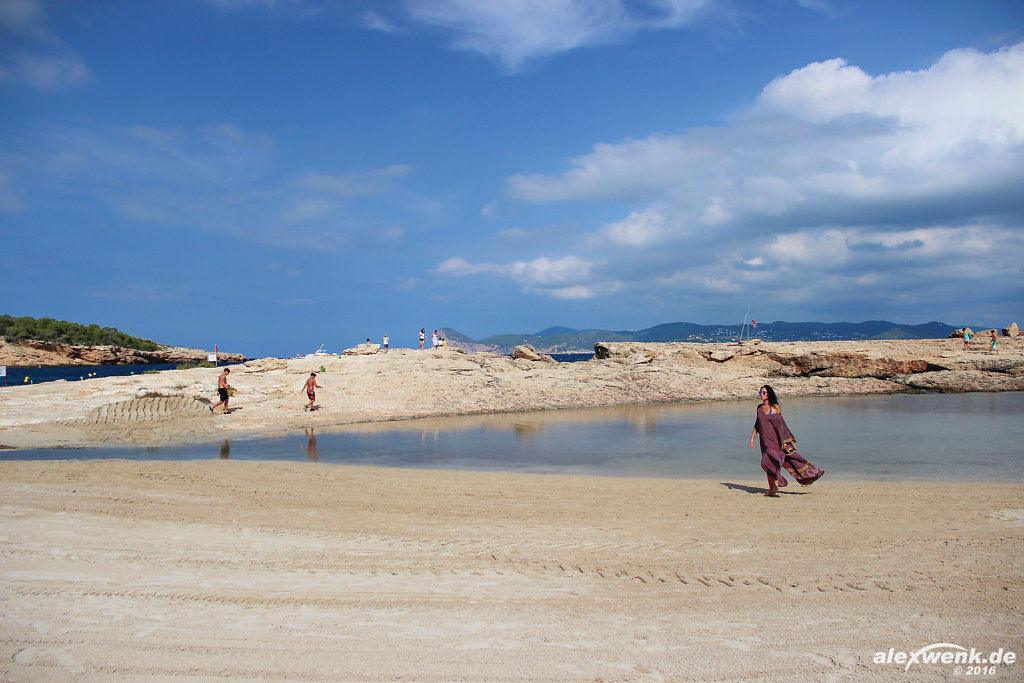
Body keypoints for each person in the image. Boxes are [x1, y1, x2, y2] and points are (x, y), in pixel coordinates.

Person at [748, 384, 825, 497]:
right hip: (764, 441)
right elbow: (757, 425)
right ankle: (773, 488)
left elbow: (781, 426)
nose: (761, 395)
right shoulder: (759, 408)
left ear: (769, 394)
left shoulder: (775, 408)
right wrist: (752, 438)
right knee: (769, 463)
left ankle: (787, 478)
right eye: (760, 392)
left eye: (764, 392)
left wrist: (784, 441)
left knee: (767, 462)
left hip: (775, 441)